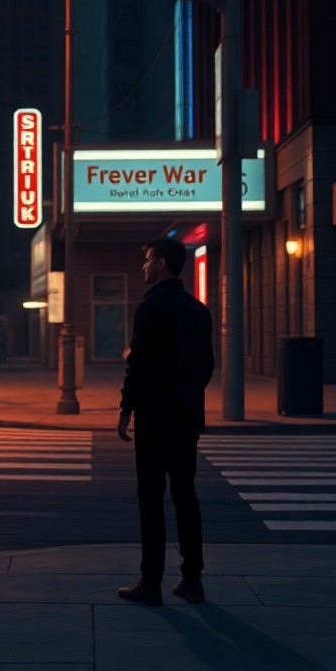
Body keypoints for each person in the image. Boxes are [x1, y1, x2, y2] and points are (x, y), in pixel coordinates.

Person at [116, 237, 215, 606]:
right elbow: (207, 367)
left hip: (155, 418)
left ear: (160, 264)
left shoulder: (150, 307)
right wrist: (186, 395)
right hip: (187, 417)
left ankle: (151, 583)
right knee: (186, 495)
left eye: (147, 260)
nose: (143, 265)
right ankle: (193, 580)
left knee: (151, 497)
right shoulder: (199, 310)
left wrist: (127, 408)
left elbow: (138, 364)